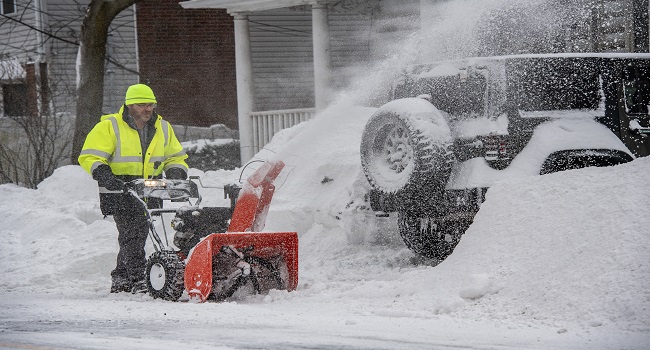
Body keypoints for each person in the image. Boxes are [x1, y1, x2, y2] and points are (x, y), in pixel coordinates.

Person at [78, 83, 188, 294]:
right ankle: (138, 278)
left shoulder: (163, 127)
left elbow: (176, 156)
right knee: (132, 234)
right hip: (119, 190)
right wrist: (103, 174)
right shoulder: (110, 126)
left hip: (149, 190)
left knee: (136, 234)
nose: (147, 109)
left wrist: (176, 172)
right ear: (129, 105)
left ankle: (121, 278)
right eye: (141, 105)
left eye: (150, 104)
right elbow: (90, 156)